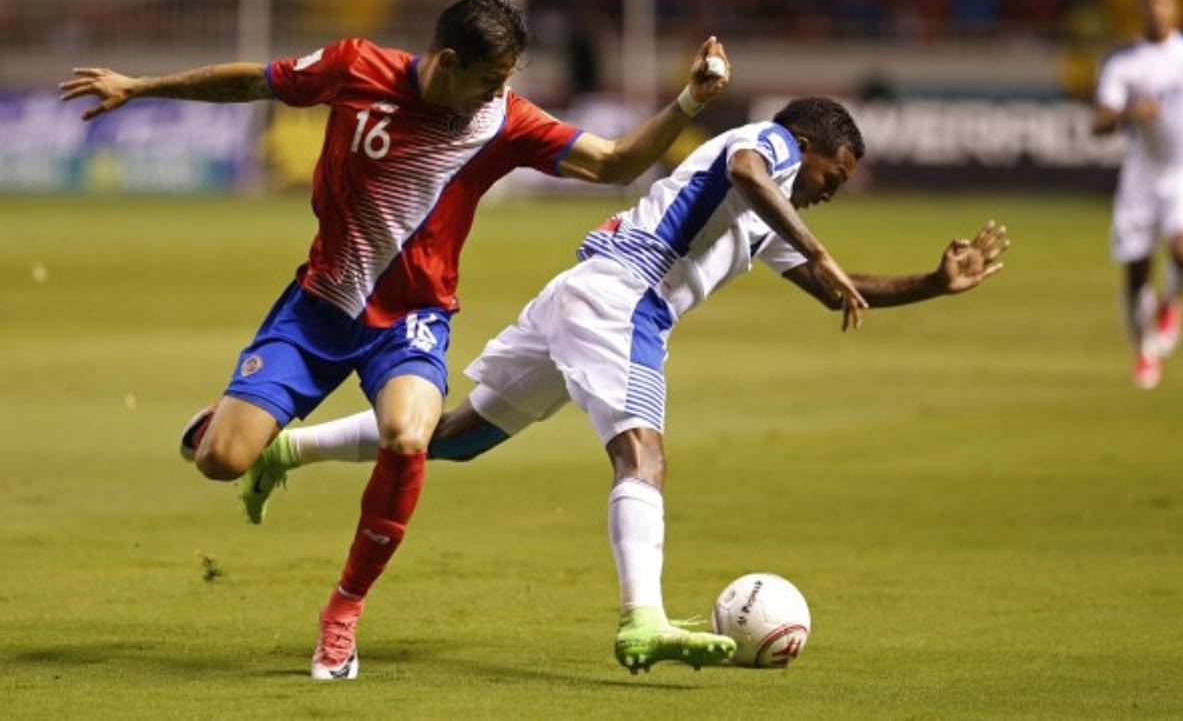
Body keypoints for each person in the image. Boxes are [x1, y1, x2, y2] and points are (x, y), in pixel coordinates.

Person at [61, 0, 866, 681]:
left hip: (412, 320)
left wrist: (688, 101)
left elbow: (617, 161)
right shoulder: (356, 68)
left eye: (507, 81)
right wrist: (143, 85)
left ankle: (342, 613)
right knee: (220, 461)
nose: (498, 95)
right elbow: (258, 83)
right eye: (488, 78)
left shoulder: (502, 119)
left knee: (413, 437)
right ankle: (241, 437)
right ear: (445, 61)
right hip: (318, 304)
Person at [233, 98, 1008, 678]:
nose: (827, 193)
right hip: (624, 298)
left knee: (458, 437)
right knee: (643, 455)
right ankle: (642, 618)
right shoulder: (761, 145)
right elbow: (747, 171)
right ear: (804, 146)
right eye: (829, 177)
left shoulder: (764, 218)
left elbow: (835, 289)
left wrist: (934, 284)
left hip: (583, 292)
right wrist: (822, 242)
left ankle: (288, 448)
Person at [1093, 0, 1183, 389]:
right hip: (1142, 173)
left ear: (1177, 6)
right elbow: (1099, 122)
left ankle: (1171, 302)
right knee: (1136, 272)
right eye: (1148, 0)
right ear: (1138, 7)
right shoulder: (1125, 63)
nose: (1155, 7)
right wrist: (1128, 113)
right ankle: (1144, 351)